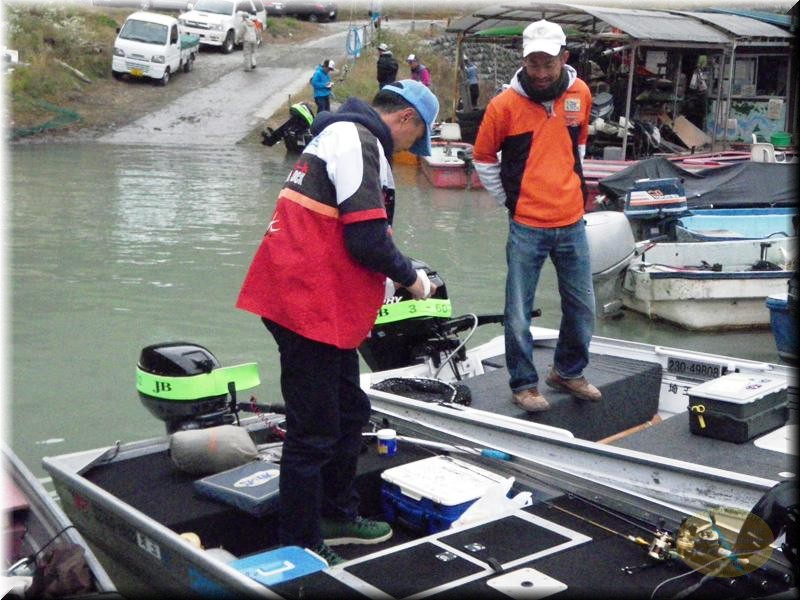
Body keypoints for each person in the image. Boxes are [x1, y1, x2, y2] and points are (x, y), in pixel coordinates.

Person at [236, 79, 439, 566]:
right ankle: (299, 542)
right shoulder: (357, 140)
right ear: (407, 119)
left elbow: (348, 231)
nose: (409, 149)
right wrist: (412, 279)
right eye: (416, 139)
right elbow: (367, 239)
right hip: (307, 305)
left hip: (319, 303)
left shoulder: (343, 136)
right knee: (313, 432)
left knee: (349, 412)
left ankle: (336, 513)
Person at [473, 19, 601, 413]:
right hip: (527, 225)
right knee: (517, 312)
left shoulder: (580, 93)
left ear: (564, 57)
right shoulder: (503, 106)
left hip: (572, 221)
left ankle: (568, 371)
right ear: (523, 60)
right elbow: (483, 158)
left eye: (548, 63)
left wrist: (573, 190)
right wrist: (511, 201)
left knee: (583, 307)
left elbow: (578, 146)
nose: (541, 72)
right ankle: (524, 384)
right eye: (534, 64)